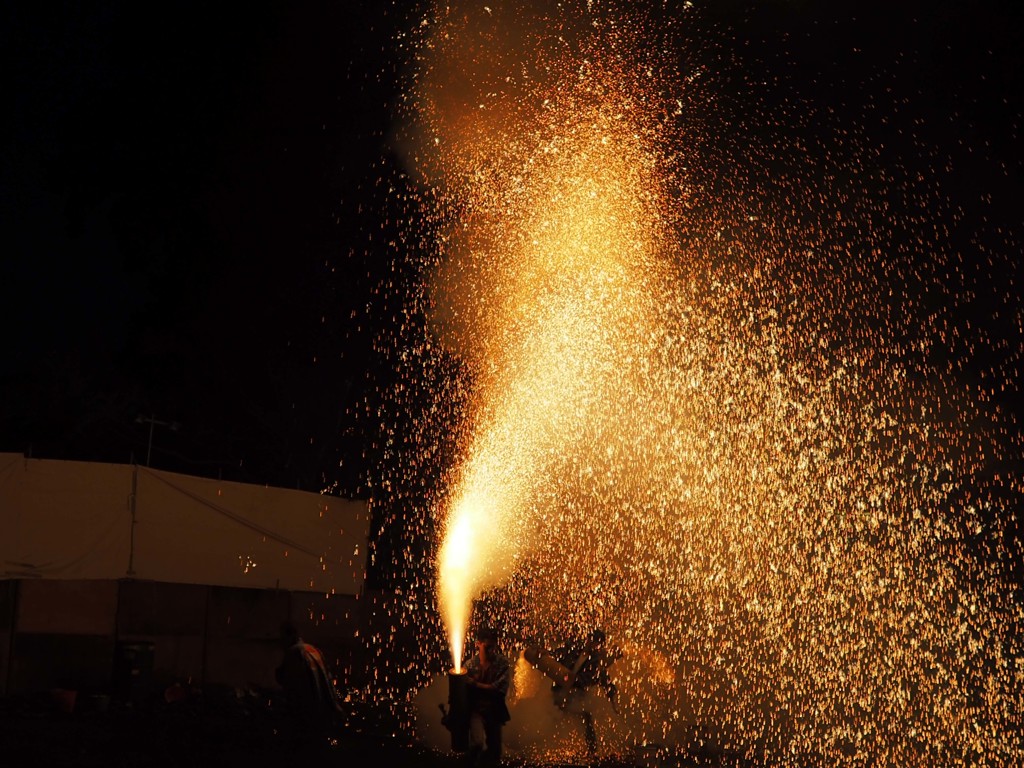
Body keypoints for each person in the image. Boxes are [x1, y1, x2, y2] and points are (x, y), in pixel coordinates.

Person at [552, 628, 621, 757]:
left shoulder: (596, 661)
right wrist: (545, 653)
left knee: (586, 718)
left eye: (597, 643)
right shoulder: (575, 650)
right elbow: (559, 655)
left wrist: (613, 700)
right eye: (592, 640)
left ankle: (592, 751)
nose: (593, 644)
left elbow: (604, 680)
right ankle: (543, 740)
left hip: (575, 694)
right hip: (560, 690)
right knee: (553, 715)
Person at [275, 621, 341, 749]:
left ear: (289, 636)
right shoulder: (313, 650)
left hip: (308, 714)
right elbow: (328, 679)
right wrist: (335, 705)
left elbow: (292, 685)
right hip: (322, 710)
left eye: (282, 637)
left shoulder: (293, 653)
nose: (280, 642)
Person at [464, 626, 511, 767]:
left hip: (494, 711)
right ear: (478, 644)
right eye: (487, 647)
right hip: (476, 711)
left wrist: (475, 684)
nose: (491, 651)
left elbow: (499, 689)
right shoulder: (470, 665)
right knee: (477, 743)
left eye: (493, 647)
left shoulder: (502, 663)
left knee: (495, 752)